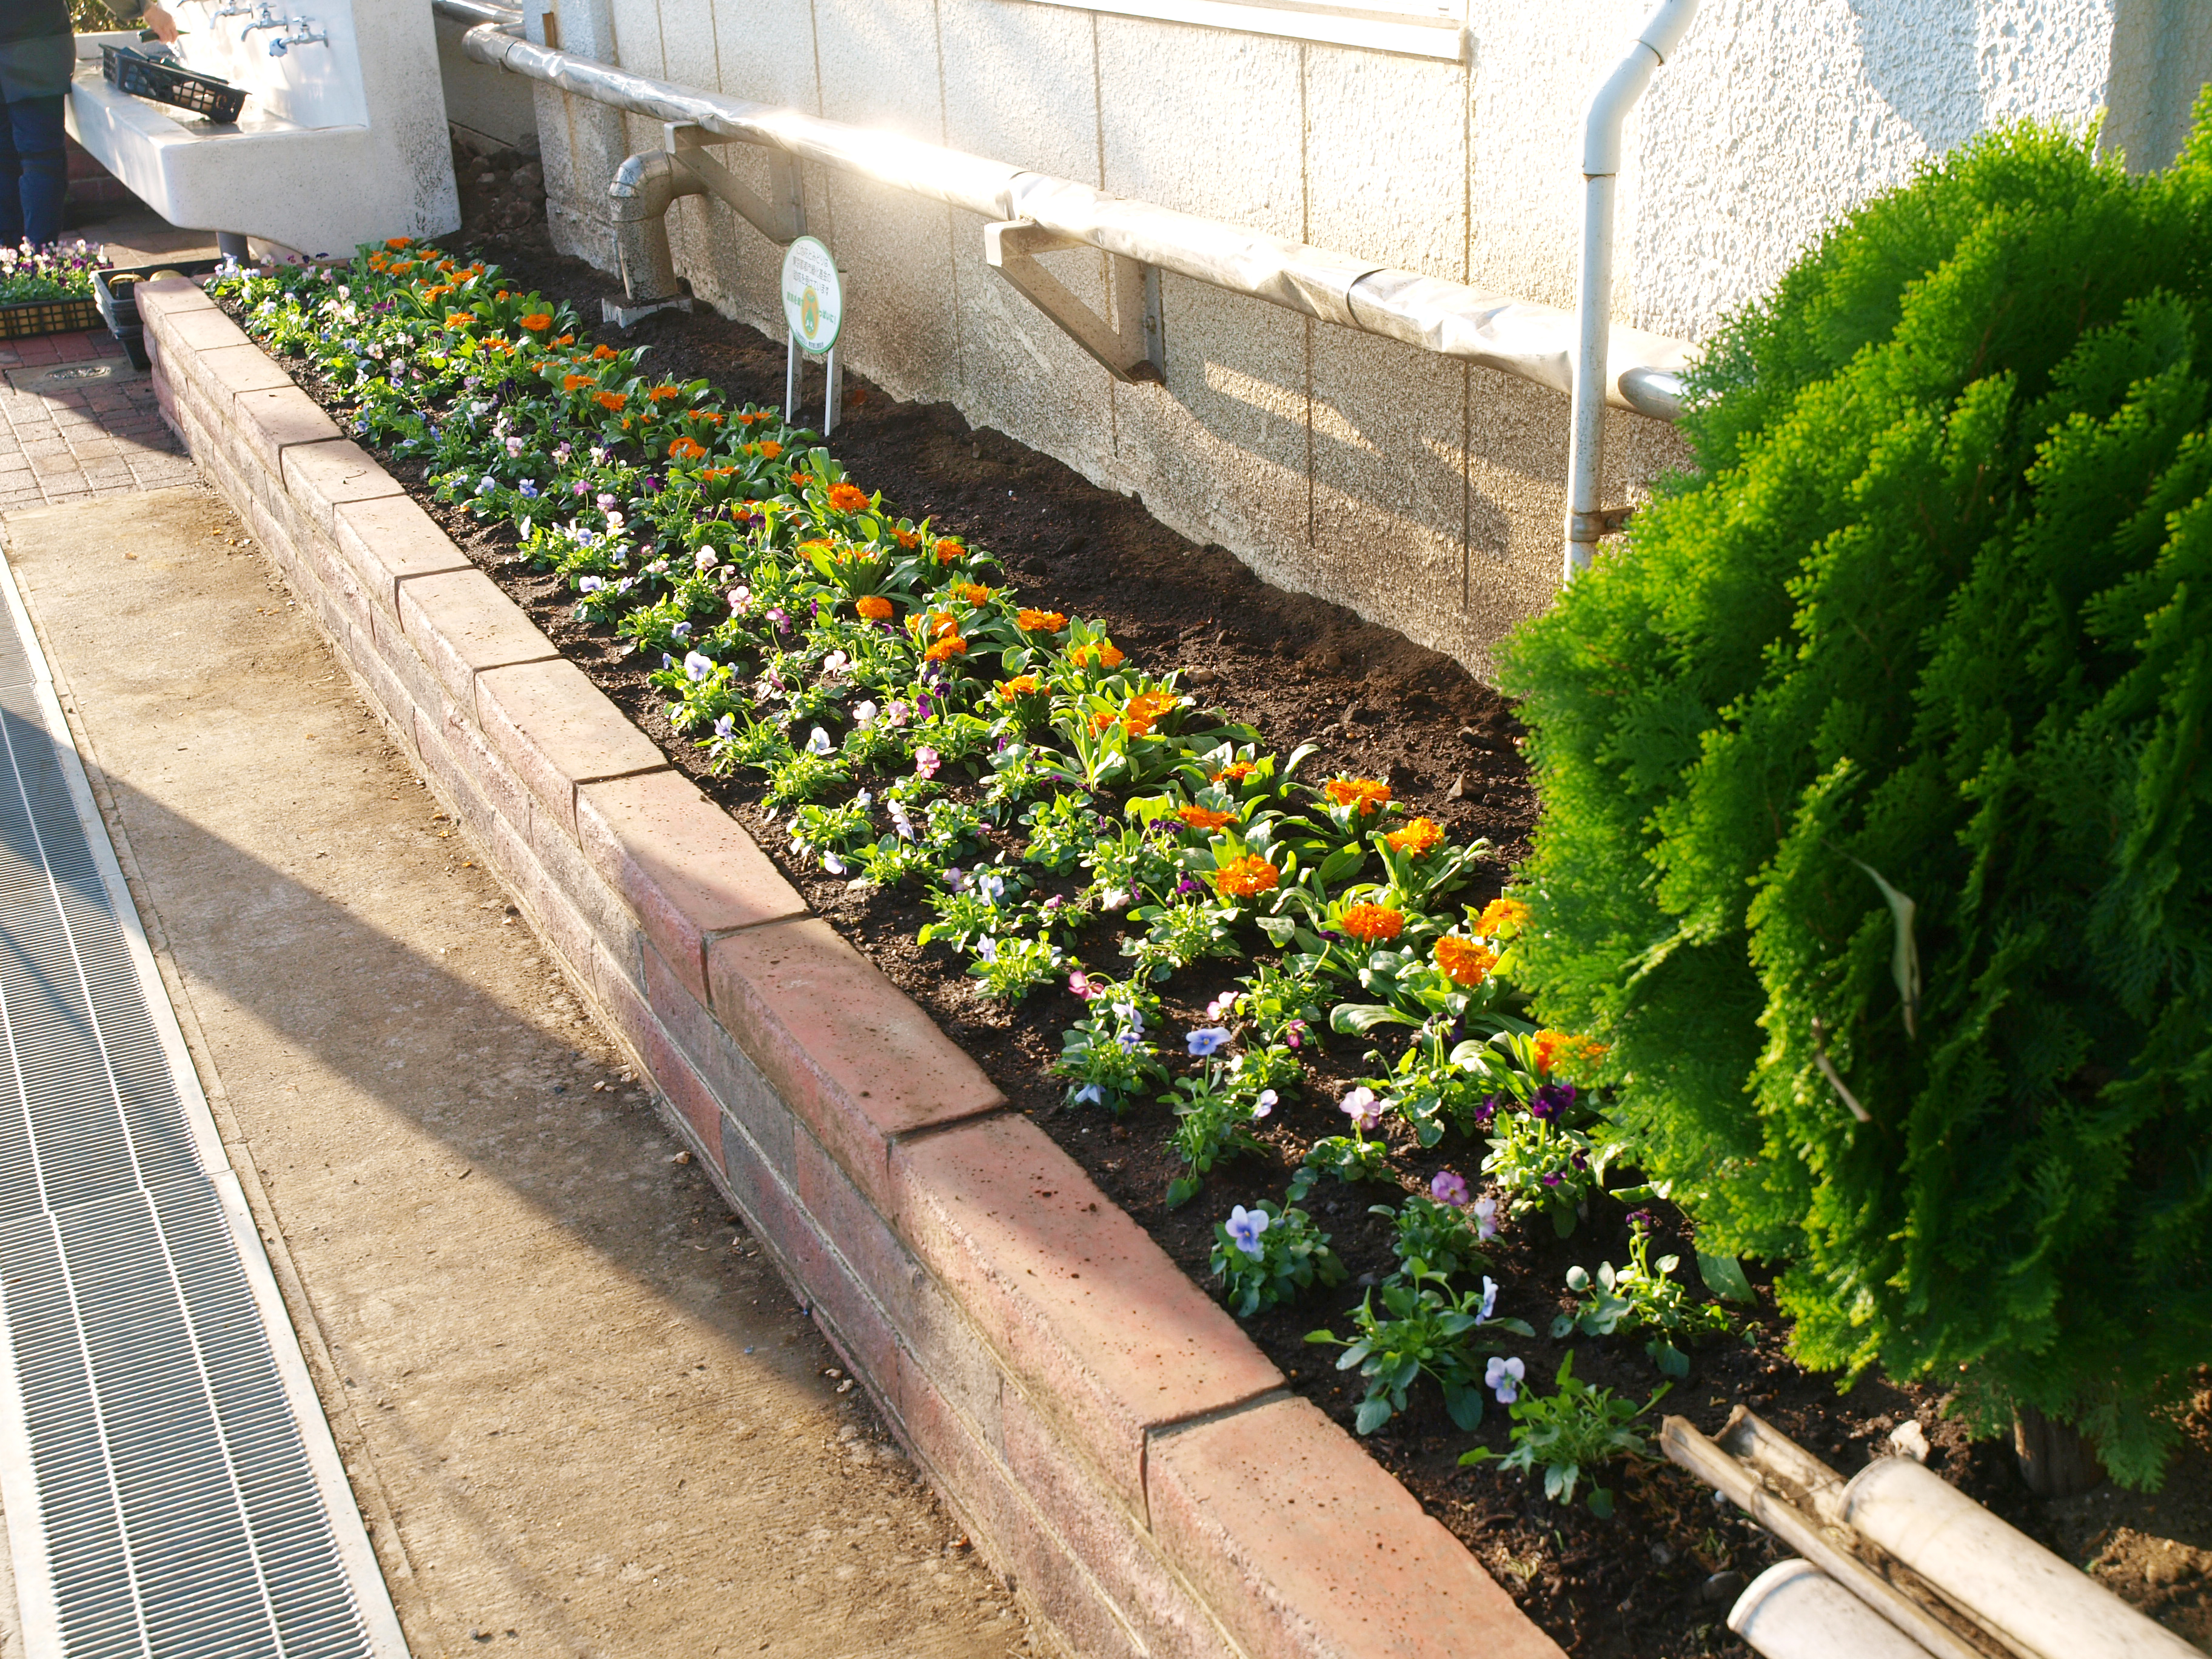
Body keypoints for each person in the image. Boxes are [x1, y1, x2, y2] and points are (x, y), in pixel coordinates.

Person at [0, 1, 176, 250]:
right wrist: (146, 8)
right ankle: (36, 266)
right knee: (40, 160)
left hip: (32, 46)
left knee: (6, 160)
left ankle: (10, 267)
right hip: (35, 47)